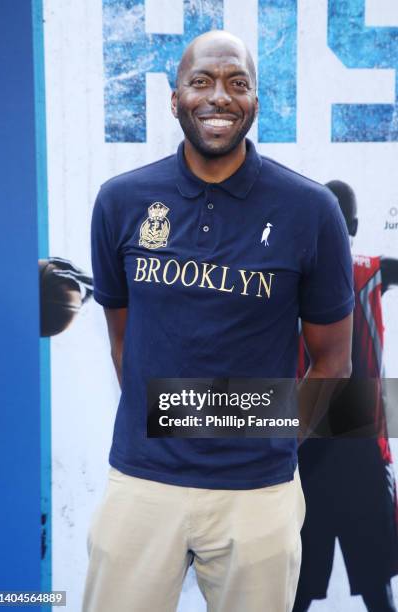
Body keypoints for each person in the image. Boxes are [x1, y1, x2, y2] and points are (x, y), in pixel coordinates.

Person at [82, 31, 354, 612]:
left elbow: (334, 359)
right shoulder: (122, 201)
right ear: (174, 98)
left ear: (257, 100)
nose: (219, 97)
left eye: (237, 83)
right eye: (201, 82)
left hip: (258, 495)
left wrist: (272, 438)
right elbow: (123, 337)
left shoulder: (310, 211)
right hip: (143, 482)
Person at [294, 180, 398, 612]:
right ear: (353, 224)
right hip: (358, 440)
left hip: (307, 439)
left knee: (296, 590)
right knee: (377, 591)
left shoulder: (289, 277)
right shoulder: (373, 268)